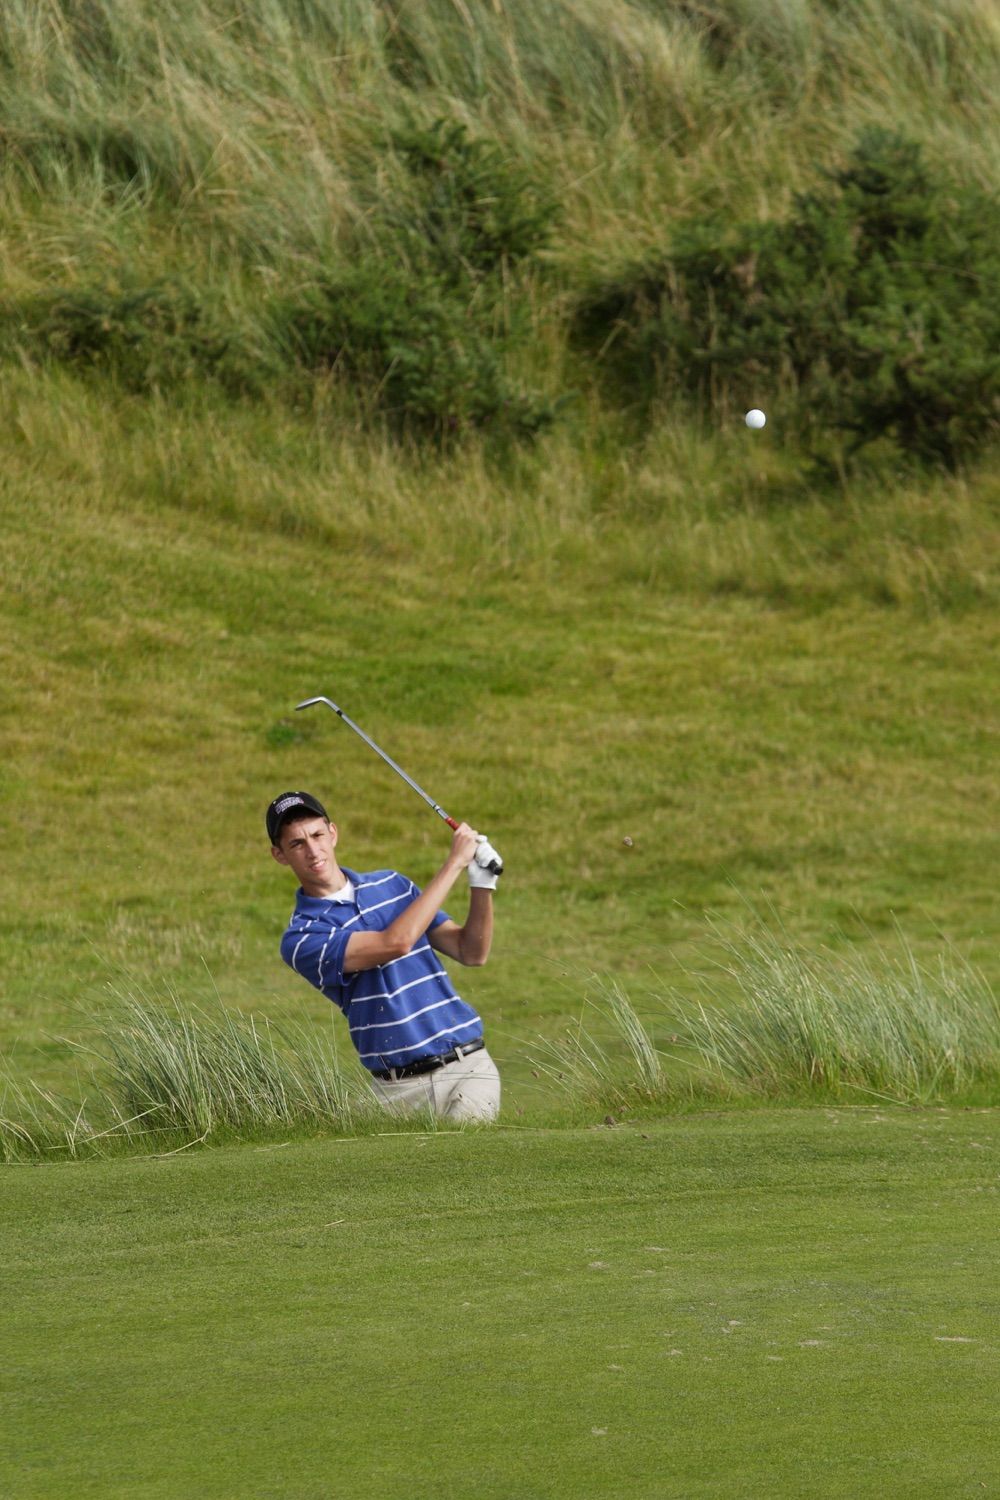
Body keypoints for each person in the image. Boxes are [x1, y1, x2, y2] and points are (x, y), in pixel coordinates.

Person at [267, 790, 502, 1123]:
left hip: (468, 1067)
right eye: (297, 843)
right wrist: (454, 863)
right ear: (279, 855)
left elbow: (471, 951)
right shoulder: (302, 938)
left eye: (317, 835)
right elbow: (396, 943)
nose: (312, 849)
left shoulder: (393, 885)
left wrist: (482, 883)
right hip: (396, 1093)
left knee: (463, 1158)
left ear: (333, 833)